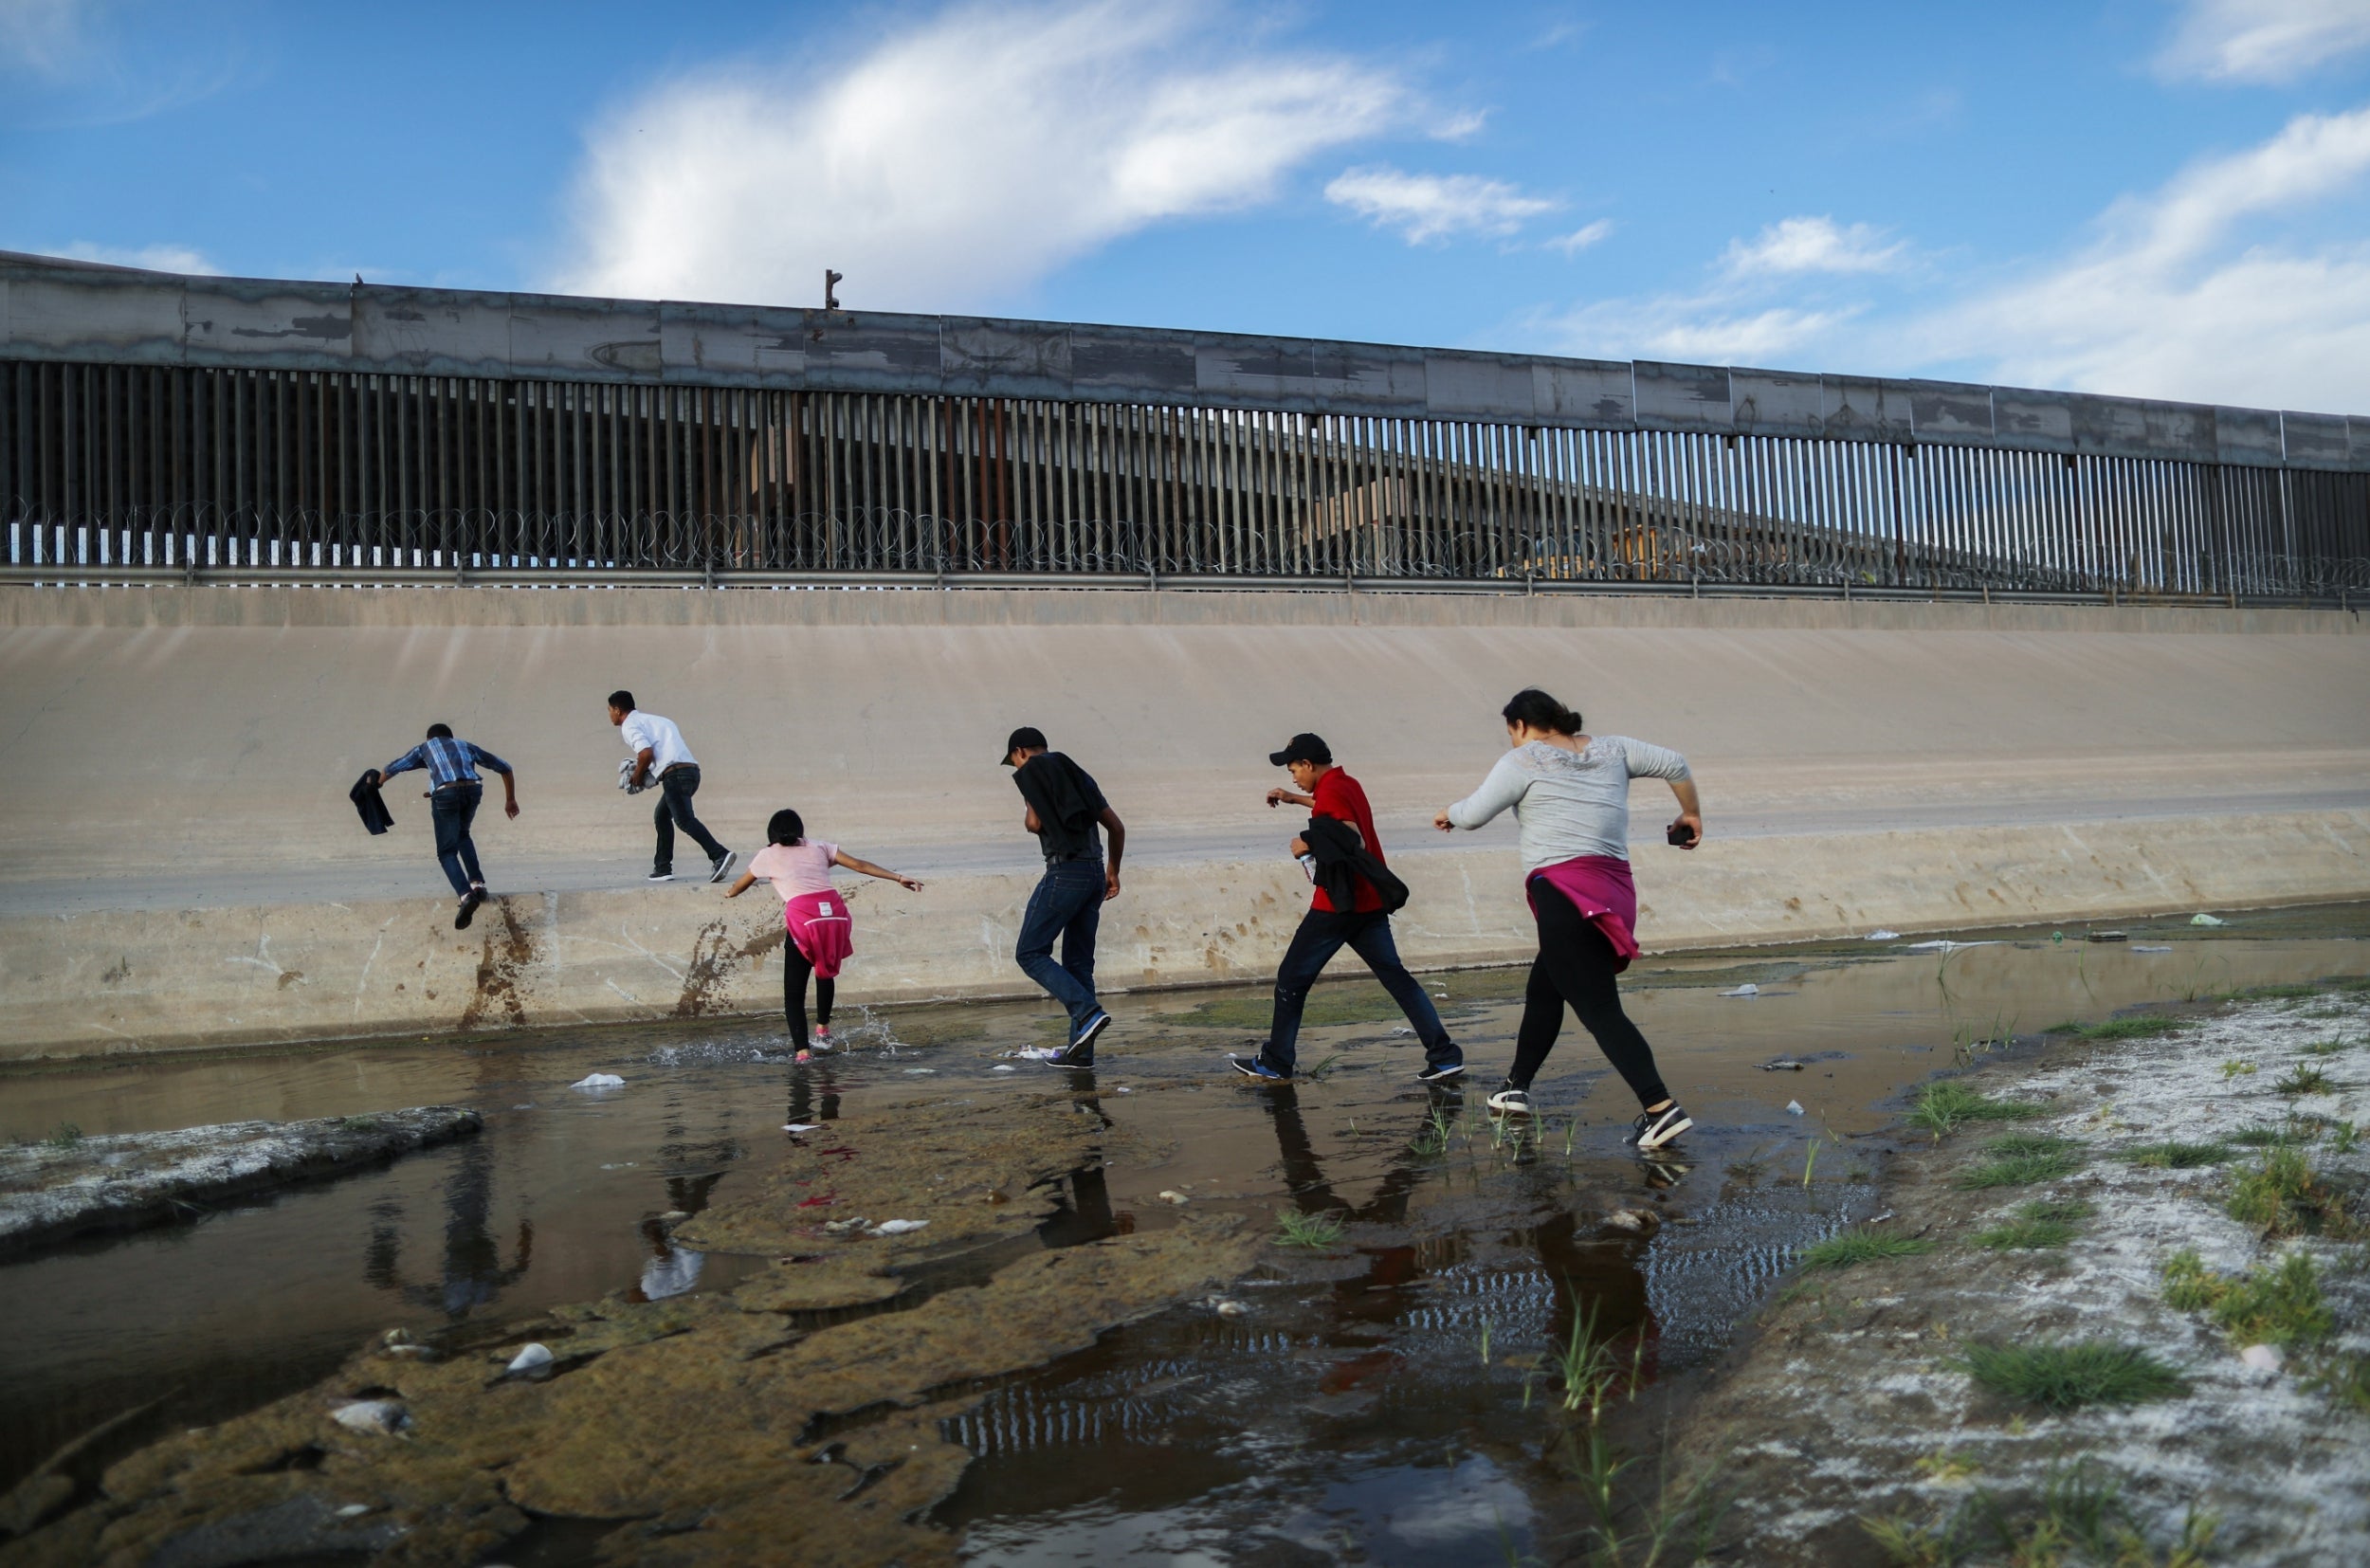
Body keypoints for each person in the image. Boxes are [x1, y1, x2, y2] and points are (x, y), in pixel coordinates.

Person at [1433, 687, 1702, 1151]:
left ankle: (1660, 1108)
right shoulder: (1613, 749)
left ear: (1519, 726)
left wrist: (1448, 814)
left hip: (1564, 893)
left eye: (1511, 733)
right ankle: (1514, 1087)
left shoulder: (1524, 760)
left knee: (1599, 1008)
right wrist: (1691, 813)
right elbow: (1676, 763)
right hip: (1614, 891)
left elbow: (1475, 814)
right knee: (1546, 986)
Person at [1229, 733, 1462, 1084]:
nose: (1292, 777)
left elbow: (1351, 837)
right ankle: (1444, 1057)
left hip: (1337, 906)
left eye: (1294, 770)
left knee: (1291, 980)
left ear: (1309, 765)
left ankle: (1276, 1061)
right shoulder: (1344, 783)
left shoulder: (1333, 792)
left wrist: (1305, 844)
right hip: (1370, 903)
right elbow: (1330, 807)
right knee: (1397, 979)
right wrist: (1294, 798)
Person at [724, 810, 922, 1058]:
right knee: (824, 970)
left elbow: (741, 885)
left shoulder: (767, 854)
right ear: (800, 830)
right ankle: (822, 1030)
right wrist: (898, 877)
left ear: (772, 833)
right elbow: (859, 865)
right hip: (835, 915)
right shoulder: (819, 847)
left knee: (793, 995)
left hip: (804, 918)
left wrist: (729, 893)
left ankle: (803, 1054)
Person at [1002, 726, 1125, 1068]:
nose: (1016, 767)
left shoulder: (1032, 772)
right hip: (1093, 874)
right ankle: (1080, 1054)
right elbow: (1117, 827)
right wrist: (1112, 871)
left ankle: (1086, 1012)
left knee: (1029, 952)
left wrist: (1030, 808)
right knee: (1079, 965)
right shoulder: (1078, 775)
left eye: (1013, 761)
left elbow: (1034, 823)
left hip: (1064, 872)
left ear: (1021, 752)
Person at [369, 723, 518, 930]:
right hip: (473, 790)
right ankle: (478, 885)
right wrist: (510, 799)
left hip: (446, 794)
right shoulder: (465, 746)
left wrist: (375, 785)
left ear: (431, 739)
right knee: (463, 835)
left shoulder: (424, 748)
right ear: (451, 737)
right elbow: (505, 767)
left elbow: (394, 767)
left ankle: (466, 896)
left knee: (446, 852)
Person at [608, 690, 736, 884]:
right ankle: (662, 868)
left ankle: (719, 854)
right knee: (662, 815)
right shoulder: (659, 721)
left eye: (609, 710)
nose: (609, 715)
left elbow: (646, 753)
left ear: (617, 710)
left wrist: (637, 776)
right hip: (691, 772)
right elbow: (664, 754)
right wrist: (650, 772)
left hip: (675, 775)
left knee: (684, 820)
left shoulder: (629, 725)